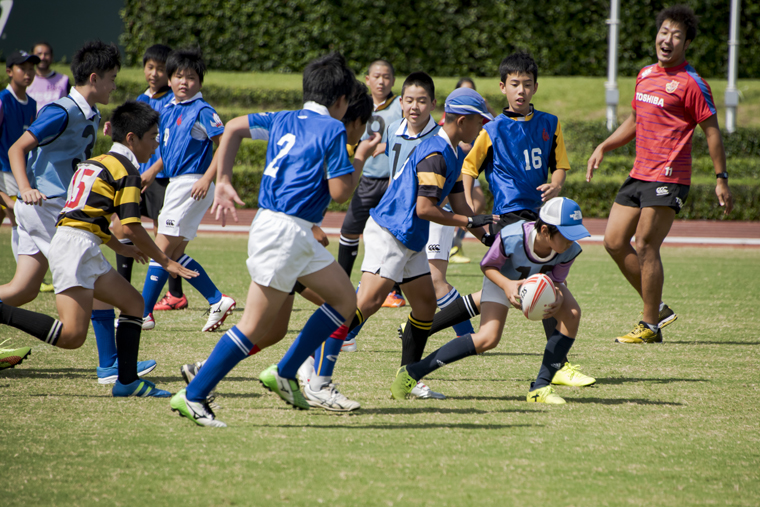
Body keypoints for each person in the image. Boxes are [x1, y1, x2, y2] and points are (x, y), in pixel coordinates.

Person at [170, 52, 361, 427]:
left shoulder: (283, 119)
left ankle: (286, 371)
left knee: (344, 300)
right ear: (340, 101)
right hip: (286, 232)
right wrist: (359, 161)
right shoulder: (334, 130)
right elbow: (340, 192)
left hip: (291, 230)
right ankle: (193, 396)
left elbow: (235, 126)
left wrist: (223, 178)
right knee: (255, 327)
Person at [419, 52, 595, 387]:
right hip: (511, 218)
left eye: (527, 84)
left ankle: (420, 327)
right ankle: (558, 365)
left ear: (536, 87)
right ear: (502, 87)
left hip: (543, 214)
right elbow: (468, 170)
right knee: (547, 285)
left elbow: (560, 166)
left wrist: (557, 183)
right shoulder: (491, 130)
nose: (521, 91)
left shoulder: (550, 123)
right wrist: (471, 209)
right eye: (514, 84)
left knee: (514, 290)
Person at [0, 100, 197, 397]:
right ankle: (3, 312)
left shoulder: (97, 162)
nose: (156, 146)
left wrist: (120, 247)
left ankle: (127, 382)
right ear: (132, 138)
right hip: (75, 248)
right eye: (154, 137)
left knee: (133, 304)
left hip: (81, 243)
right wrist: (165, 261)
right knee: (71, 336)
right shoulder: (127, 170)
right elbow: (131, 225)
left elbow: (89, 215)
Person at [587, 5, 733, 344]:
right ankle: (659, 308)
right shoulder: (645, 74)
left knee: (645, 244)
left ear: (686, 44)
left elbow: (712, 132)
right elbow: (635, 120)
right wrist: (605, 146)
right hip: (639, 173)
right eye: (664, 32)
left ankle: (649, 324)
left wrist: (721, 177)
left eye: (676, 35)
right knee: (612, 241)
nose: (667, 40)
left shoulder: (693, 84)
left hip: (670, 176)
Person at [343, 87, 496, 400]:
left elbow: (462, 207)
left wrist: (491, 240)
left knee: (425, 307)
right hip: (391, 231)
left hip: (411, 237)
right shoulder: (436, 154)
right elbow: (425, 209)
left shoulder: (453, 151)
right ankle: (308, 359)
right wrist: (467, 223)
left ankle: (407, 379)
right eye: (480, 122)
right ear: (463, 121)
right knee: (368, 303)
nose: (482, 129)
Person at [0, 41, 129, 378]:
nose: (115, 85)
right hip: (47, 207)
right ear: (95, 77)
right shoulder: (61, 110)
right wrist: (25, 188)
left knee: (23, 290)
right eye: (112, 78)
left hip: (49, 208)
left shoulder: (89, 110)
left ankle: (110, 365)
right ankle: (109, 366)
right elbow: (18, 148)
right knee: (92, 273)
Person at [391, 197, 589, 405]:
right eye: (567, 236)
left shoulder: (570, 250)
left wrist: (556, 295)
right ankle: (411, 373)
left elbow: (556, 280)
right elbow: (488, 266)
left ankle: (540, 387)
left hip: (537, 281)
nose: (571, 242)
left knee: (572, 313)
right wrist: (508, 285)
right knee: (488, 338)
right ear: (546, 230)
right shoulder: (512, 236)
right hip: (500, 278)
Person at [138, 48, 235, 332]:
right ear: (169, 80)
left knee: (160, 249)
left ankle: (142, 314)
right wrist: (151, 172)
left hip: (189, 185)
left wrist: (207, 179)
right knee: (175, 254)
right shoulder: (168, 110)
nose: (184, 82)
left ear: (200, 83)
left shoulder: (203, 111)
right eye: (179, 76)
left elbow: (225, 144)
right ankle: (217, 300)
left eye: (191, 77)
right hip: (178, 185)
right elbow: (167, 153)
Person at [111, 44, 188, 311]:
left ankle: (175, 294)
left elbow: (175, 146)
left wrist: (153, 170)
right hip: (139, 175)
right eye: (149, 67)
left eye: (160, 69)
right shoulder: (141, 101)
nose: (154, 73)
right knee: (122, 225)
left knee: (163, 235)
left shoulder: (174, 102)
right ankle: (124, 287)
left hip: (163, 178)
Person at [336, 59, 406, 311]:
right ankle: (340, 284)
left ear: (393, 81)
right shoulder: (358, 105)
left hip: (393, 182)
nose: (381, 81)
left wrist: (388, 146)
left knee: (393, 233)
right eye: (376, 76)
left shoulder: (400, 105)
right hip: (366, 180)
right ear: (367, 79)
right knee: (349, 230)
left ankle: (393, 290)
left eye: (386, 77)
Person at [0, 51, 39, 261]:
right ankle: (25, 275)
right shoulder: (2, 100)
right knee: (18, 218)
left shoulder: (32, 103)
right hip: (5, 169)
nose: (28, 73)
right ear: (9, 72)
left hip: (20, 170)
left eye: (31, 68)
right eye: (22, 68)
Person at [27, 42, 70, 111]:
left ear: (52, 56)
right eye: (39, 54)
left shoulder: (64, 80)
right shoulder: (26, 79)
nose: (42, 57)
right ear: (32, 56)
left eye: (46, 54)